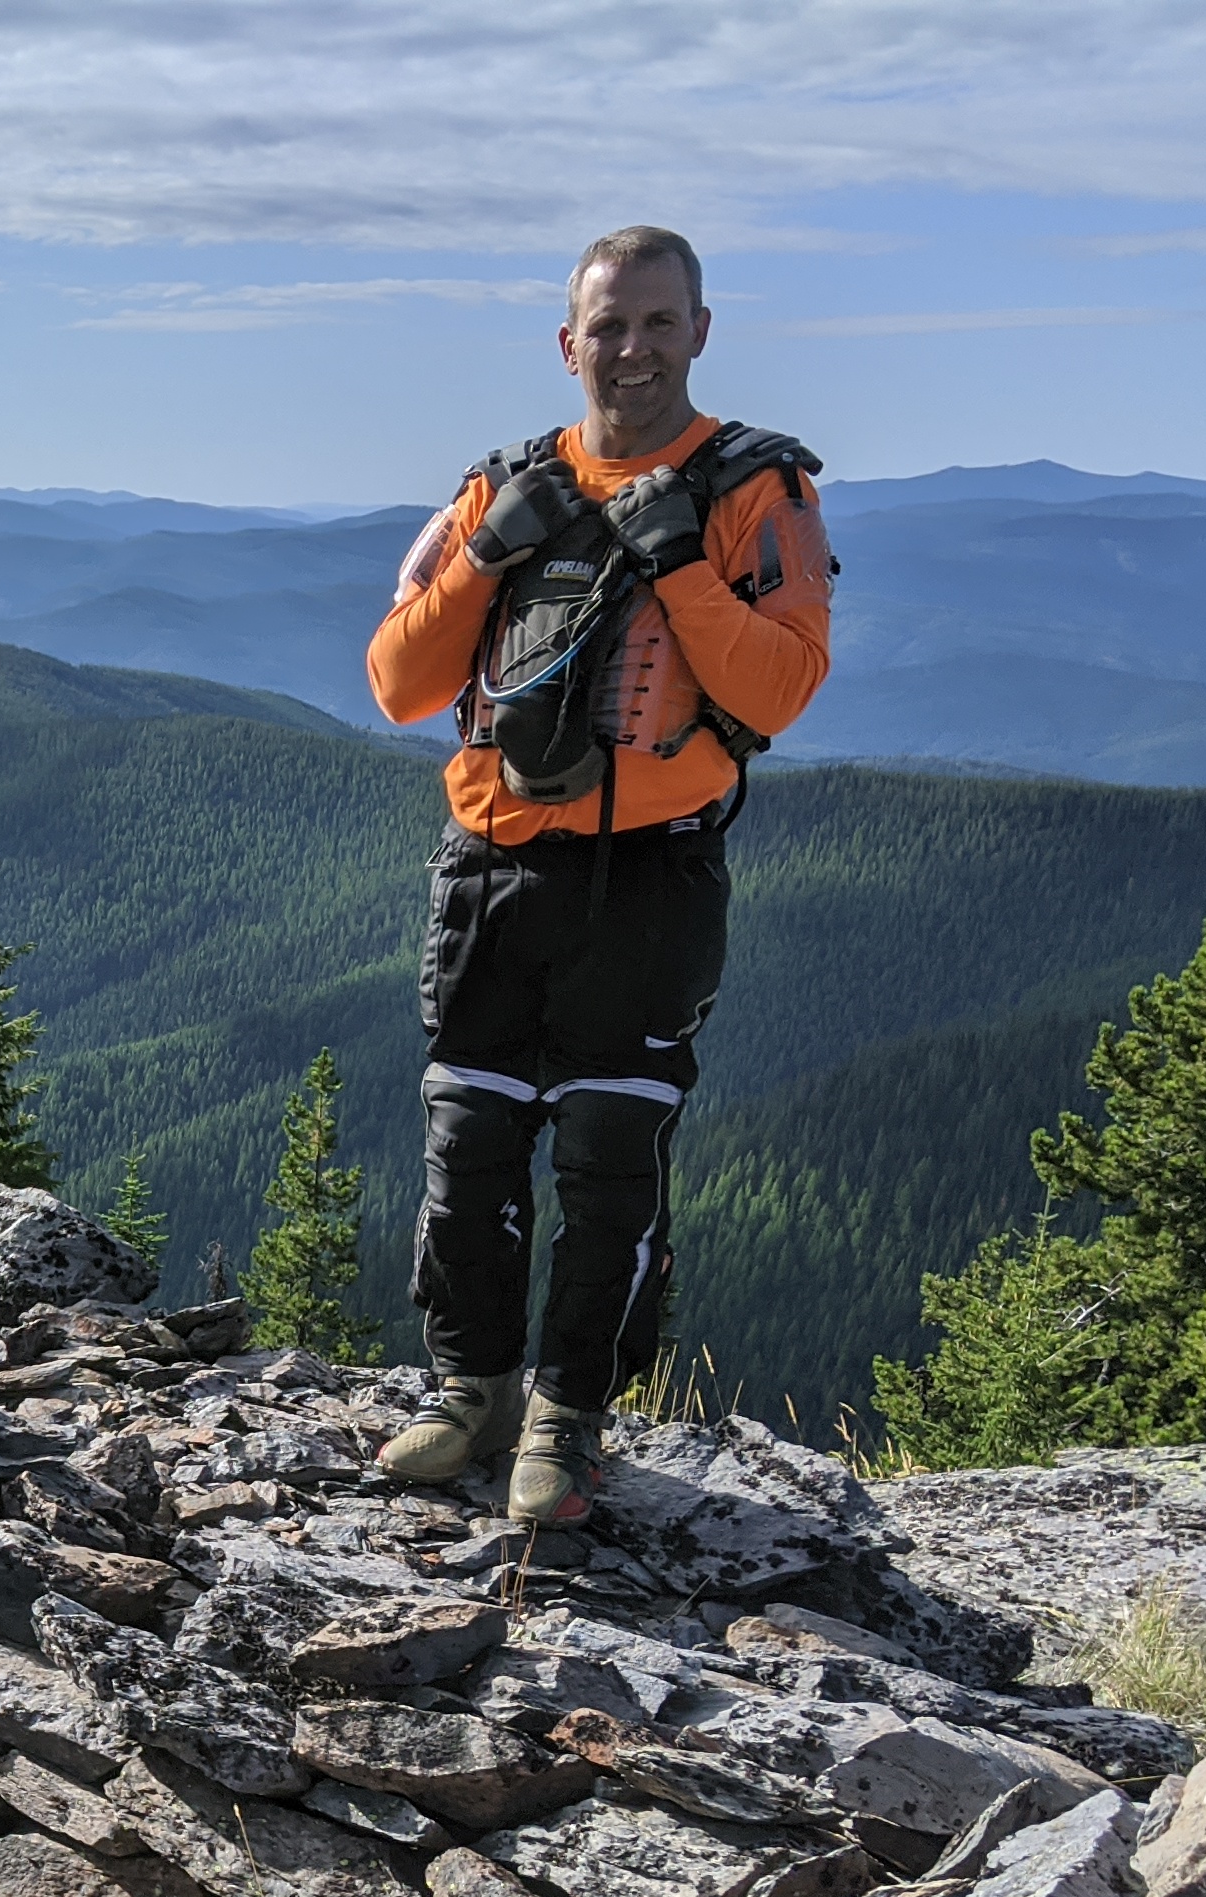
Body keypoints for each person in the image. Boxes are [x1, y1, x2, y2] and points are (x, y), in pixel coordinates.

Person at [360, 225, 834, 1522]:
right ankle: (474, 1394)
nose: (631, 350)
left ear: (699, 331)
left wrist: (677, 561)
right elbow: (399, 682)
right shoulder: (502, 485)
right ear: (569, 344)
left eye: (657, 323)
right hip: (490, 871)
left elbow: (779, 685)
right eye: (608, 327)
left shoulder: (757, 491)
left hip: (651, 881)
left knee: (612, 1160)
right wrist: (487, 553)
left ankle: (566, 1424)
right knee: (469, 1149)